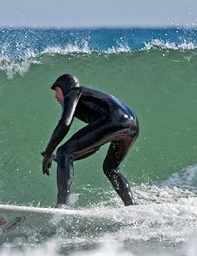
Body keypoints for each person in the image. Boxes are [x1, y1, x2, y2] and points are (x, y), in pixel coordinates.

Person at [42, 74, 139, 208]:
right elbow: (95, 146)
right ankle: (131, 206)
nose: (55, 97)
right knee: (110, 169)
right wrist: (67, 158)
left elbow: (65, 123)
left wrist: (49, 152)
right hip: (132, 126)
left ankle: (62, 205)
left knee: (63, 151)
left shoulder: (73, 93)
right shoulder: (89, 99)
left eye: (56, 91)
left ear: (64, 88)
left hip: (114, 119)